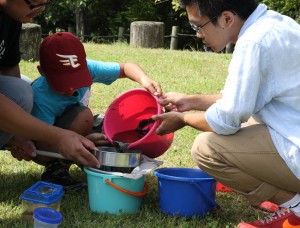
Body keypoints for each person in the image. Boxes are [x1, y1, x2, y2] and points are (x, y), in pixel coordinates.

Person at [152, 0, 300, 227]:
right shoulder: (276, 23)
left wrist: (183, 119)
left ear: (227, 19)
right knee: (248, 122)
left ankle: (296, 207)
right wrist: (189, 101)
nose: (198, 35)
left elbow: (227, 119)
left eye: (198, 26)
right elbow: (242, 98)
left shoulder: (253, 42)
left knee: (207, 149)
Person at [31, 31, 162, 190]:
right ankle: (56, 171)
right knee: (84, 117)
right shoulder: (40, 97)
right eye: (63, 83)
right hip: (47, 142)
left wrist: (144, 79)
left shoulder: (88, 68)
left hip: (76, 130)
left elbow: (126, 68)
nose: (71, 88)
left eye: (76, 80)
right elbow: (41, 149)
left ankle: (91, 160)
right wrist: (84, 140)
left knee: (111, 133)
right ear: (42, 72)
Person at [0, 1, 100, 169]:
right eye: (34, 5)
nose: (41, 10)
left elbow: (8, 67)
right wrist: (58, 137)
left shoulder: (11, 16)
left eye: (45, 3)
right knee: (21, 93)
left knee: (21, 90)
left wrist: (17, 135)